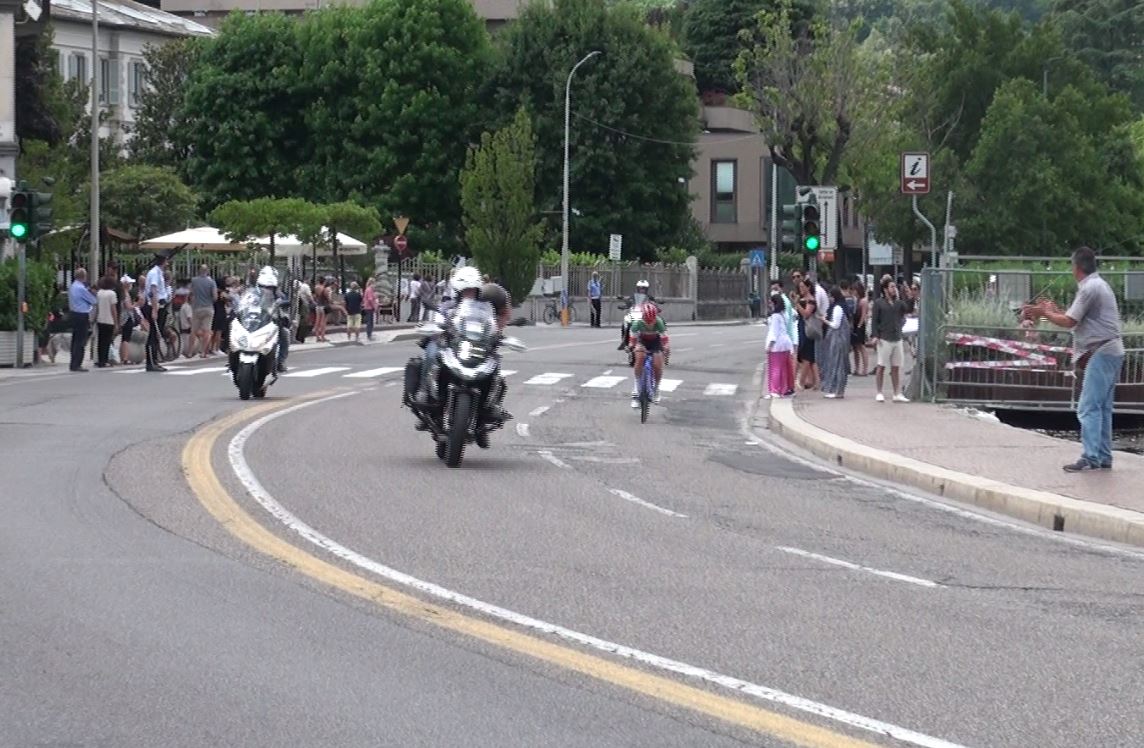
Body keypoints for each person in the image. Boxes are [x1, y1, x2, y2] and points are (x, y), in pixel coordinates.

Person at [1024, 246, 1125, 472]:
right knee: (1102, 408)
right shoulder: (1098, 285)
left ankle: (1090, 458)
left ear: (1076, 267)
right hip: (1111, 350)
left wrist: (1043, 313)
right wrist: (1051, 311)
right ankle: (1102, 456)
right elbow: (1075, 319)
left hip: (1101, 351)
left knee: (1088, 407)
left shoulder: (1089, 288)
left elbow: (1069, 322)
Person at [412, 265, 484, 408]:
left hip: (469, 347)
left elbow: (489, 325)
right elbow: (438, 320)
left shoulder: (482, 309)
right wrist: (440, 327)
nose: (469, 293)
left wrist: (493, 333)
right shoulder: (448, 306)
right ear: (459, 291)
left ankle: (488, 401)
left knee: (493, 361)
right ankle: (424, 389)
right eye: (466, 290)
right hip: (447, 344)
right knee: (432, 354)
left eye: (472, 290)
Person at [870, 276, 913, 403]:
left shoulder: (898, 303)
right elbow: (874, 320)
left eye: (895, 287)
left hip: (897, 337)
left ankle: (897, 393)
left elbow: (908, 309)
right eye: (892, 287)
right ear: (885, 289)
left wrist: (909, 296)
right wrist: (875, 335)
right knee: (881, 365)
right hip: (884, 338)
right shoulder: (879, 303)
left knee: (896, 366)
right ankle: (879, 392)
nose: (894, 289)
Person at [628, 303, 670, 407]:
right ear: (642, 318)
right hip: (642, 342)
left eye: (652, 321)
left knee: (657, 365)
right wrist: (632, 347)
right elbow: (632, 341)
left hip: (655, 342)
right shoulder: (637, 324)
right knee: (639, 358)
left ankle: (656, 389)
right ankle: (636, 389)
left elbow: (665, 340)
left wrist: (665, 349)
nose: (650, 324)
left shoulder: (659, 323)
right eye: (647, 321)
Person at [252, 266, 292, 373]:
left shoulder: (277, 292)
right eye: (265, 286)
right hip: (256, 321)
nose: (267, 289)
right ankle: (234, 359)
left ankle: (280, 362)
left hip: (272, 321)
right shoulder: (254, 292)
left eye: (270, 287)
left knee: (285, 335)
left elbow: (285, 299)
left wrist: (281, 302)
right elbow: (244, 302)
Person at [764, 293, 794, 397]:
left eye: (770, 302)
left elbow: (774, 332)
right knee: (784, 368)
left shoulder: (776, 316)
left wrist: (769, 346)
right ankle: (785, 388)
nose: (769, 305)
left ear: (774, 303)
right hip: (786, 344)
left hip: (777, 345)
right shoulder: (783, 314)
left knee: (775, 368)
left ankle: (775, 389)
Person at [617, 279, 656, 350]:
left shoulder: (649, 297)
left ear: (647, 289)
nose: (642, 290)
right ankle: (624, 342)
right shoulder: (633, 296)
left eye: (644, 288)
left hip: (644, 314)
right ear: (637, 288)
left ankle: (656, 342)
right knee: (625, 321)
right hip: (635, 313)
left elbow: (654, 304)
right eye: (640, 288)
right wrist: (624, 306)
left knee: (654, 323)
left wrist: (656, 305)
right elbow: (628, 302)